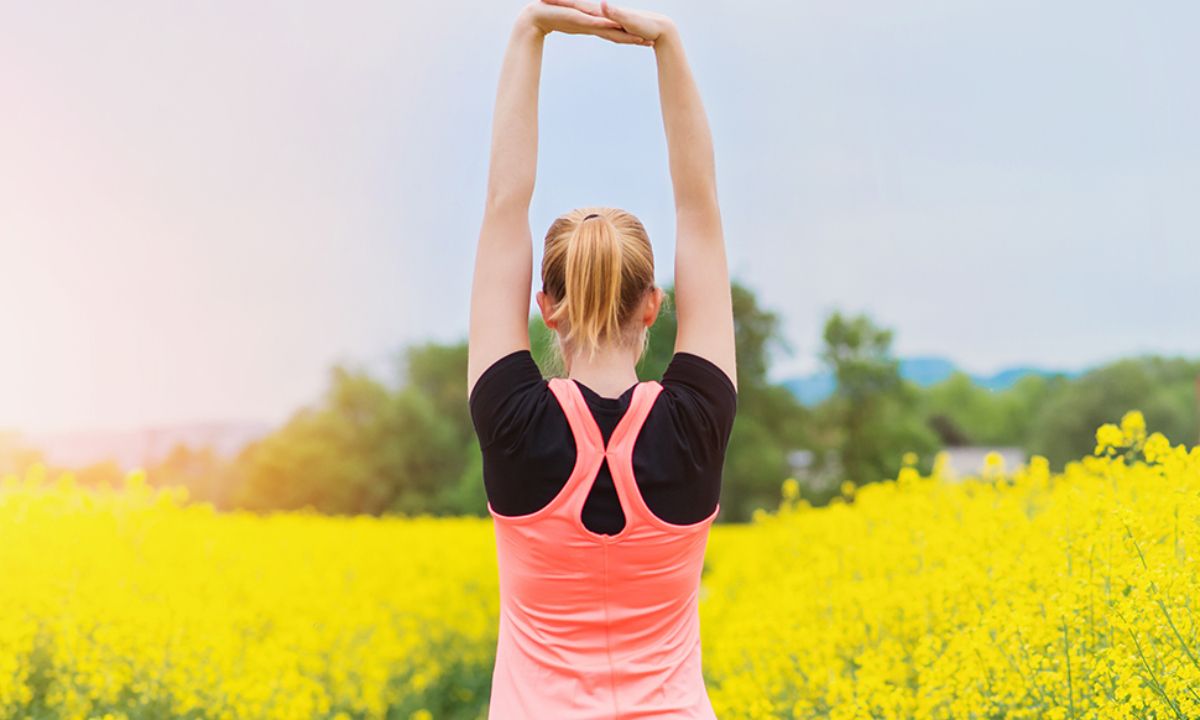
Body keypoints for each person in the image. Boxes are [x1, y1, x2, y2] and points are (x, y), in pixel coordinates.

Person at [467, 0, 737, 716]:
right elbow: (699, 209)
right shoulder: (696, 421)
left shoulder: (512, 420)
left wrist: (532, 31)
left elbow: (504, 204)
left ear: (543, 305)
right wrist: (667, 44)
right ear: (653, 304)